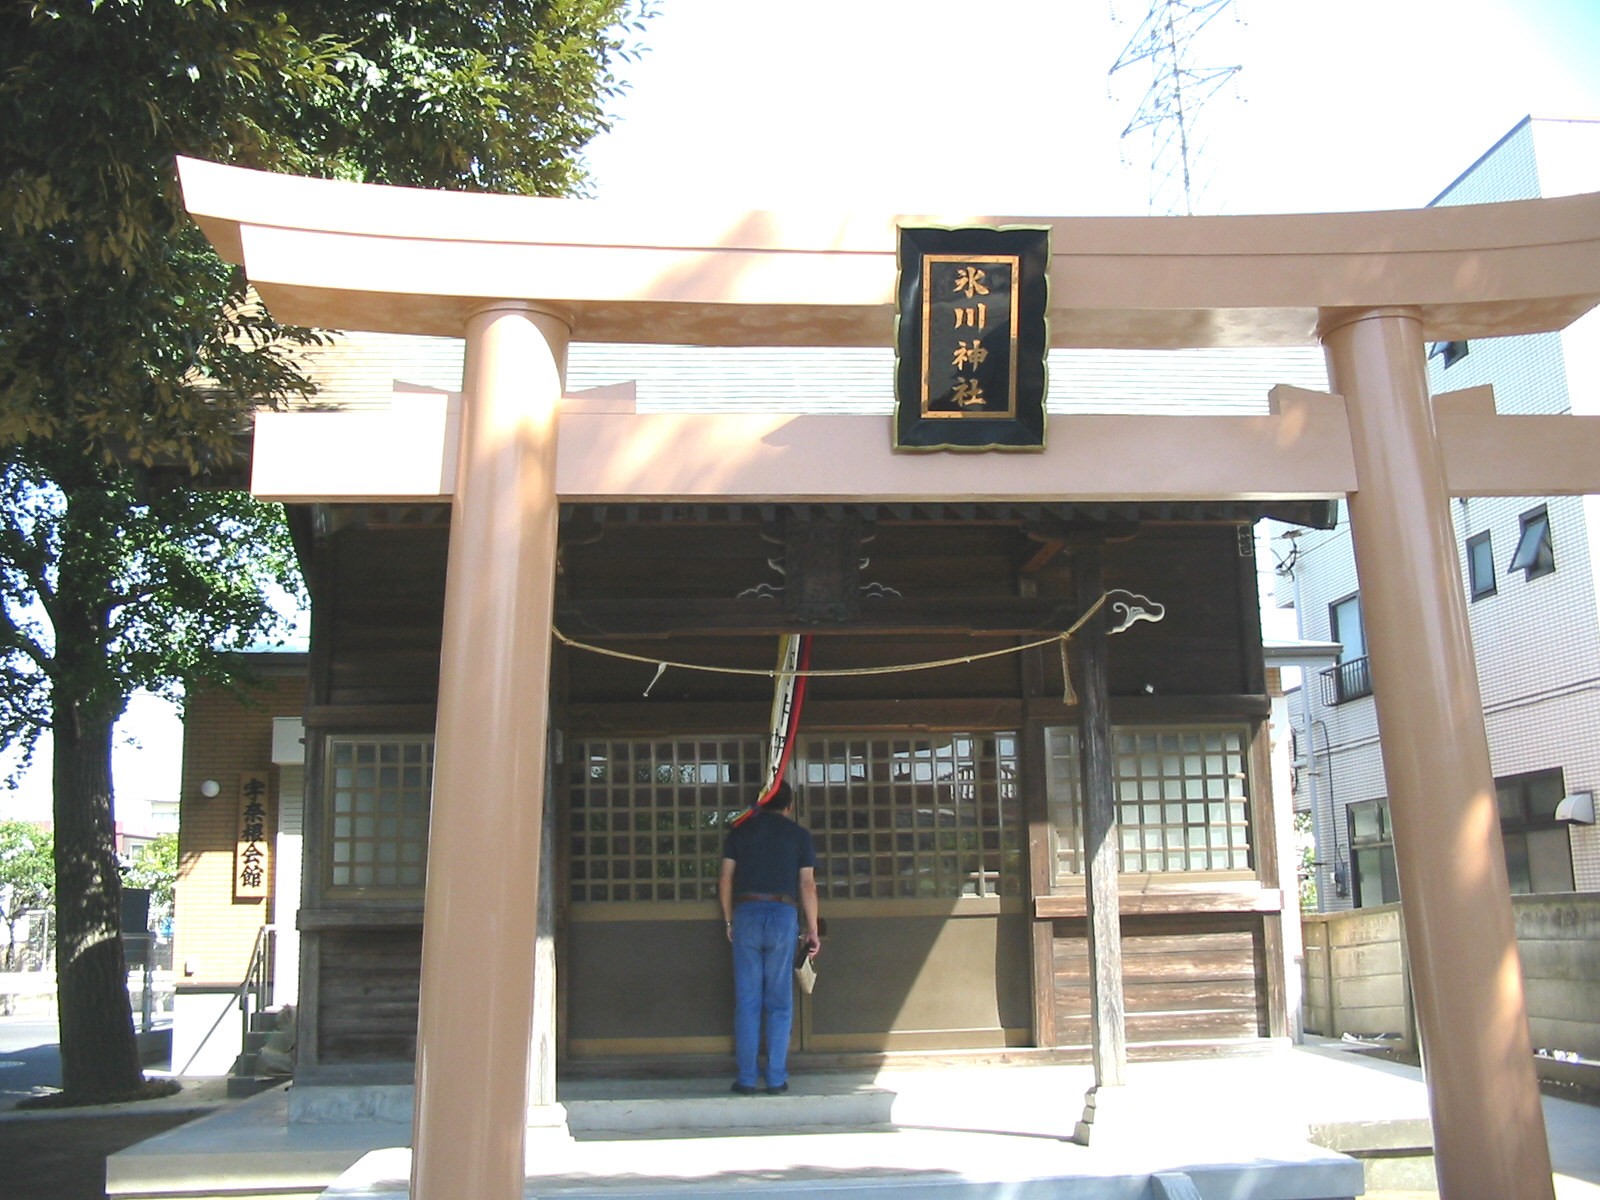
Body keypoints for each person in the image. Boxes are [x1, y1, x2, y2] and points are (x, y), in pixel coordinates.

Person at [718, 780, 820, 1095]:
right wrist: (812, 928)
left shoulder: (740, 833)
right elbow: (807, 885)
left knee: (747, 1000)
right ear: (788, 806)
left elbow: (725, 878)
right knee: (779, 1001)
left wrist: (728, 919)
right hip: (782, 915)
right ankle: (776, 1077)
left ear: (760, 803)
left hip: (746, 913)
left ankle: (747, 1078)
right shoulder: (799, 836)